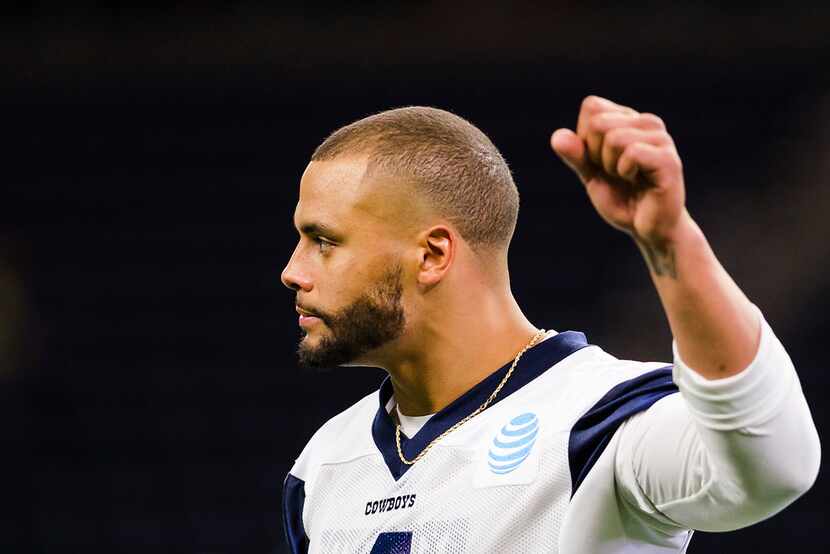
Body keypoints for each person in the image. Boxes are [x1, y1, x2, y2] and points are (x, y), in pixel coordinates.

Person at [279, 96, 820, 553]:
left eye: (324, 241)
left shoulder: (598, 419)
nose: (291, 271)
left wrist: (670, 240)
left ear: (433, 255)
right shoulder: (324, 464)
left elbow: (773, 467)